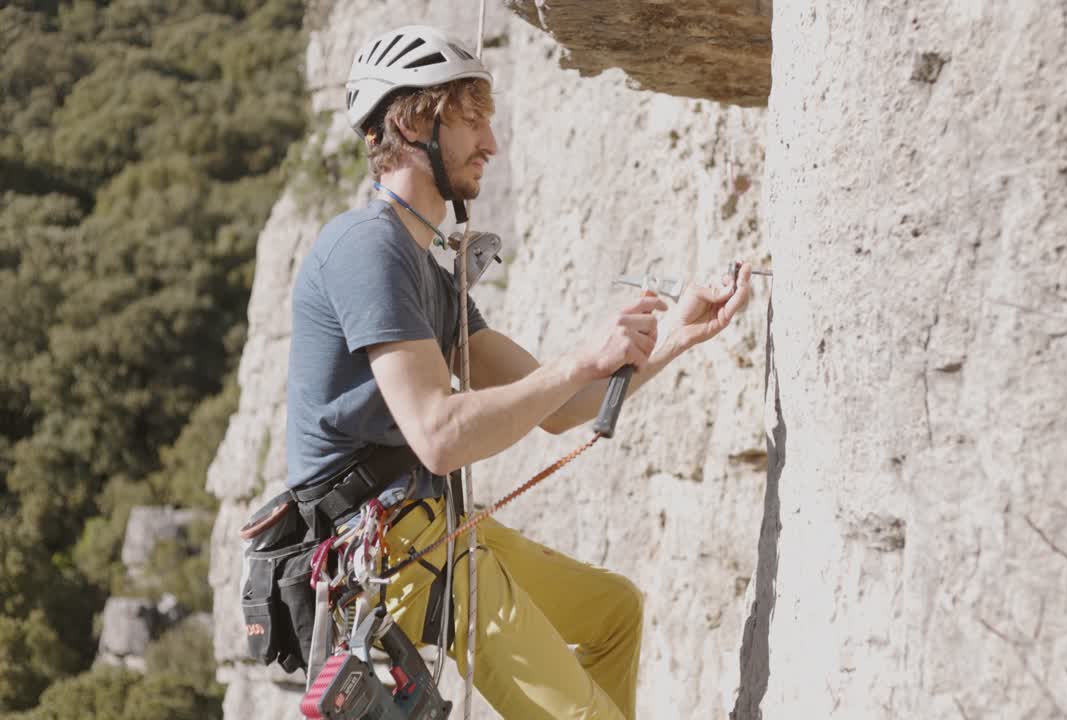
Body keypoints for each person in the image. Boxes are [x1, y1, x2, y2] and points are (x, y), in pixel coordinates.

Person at [284, 24, 754, 720]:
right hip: (387, 551)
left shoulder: (430, 278)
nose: (491, 145)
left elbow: (564, 406)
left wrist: (677, 333)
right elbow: (439, 436)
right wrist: (578, 359)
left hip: (424, 529)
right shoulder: (366, 247)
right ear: (413, 121)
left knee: (612, 614)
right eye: (471, 120)